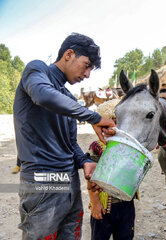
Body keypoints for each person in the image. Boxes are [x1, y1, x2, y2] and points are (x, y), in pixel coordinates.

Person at [13, 33, 116, 239]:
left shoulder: (68, 98)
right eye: (86, 65)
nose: (87, 74)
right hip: (43, 179)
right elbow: (43, 95)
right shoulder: (36, 70)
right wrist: (93, 117)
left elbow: (70, 144)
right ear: (69, 54)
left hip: (70, 182)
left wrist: (85, 161)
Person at [87, 99, 136, 240]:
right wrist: (95, 203)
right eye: (112, 123)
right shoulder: (97, 147)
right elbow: (91, 177)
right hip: (103, 206)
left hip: (126, 204)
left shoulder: (131, 146)